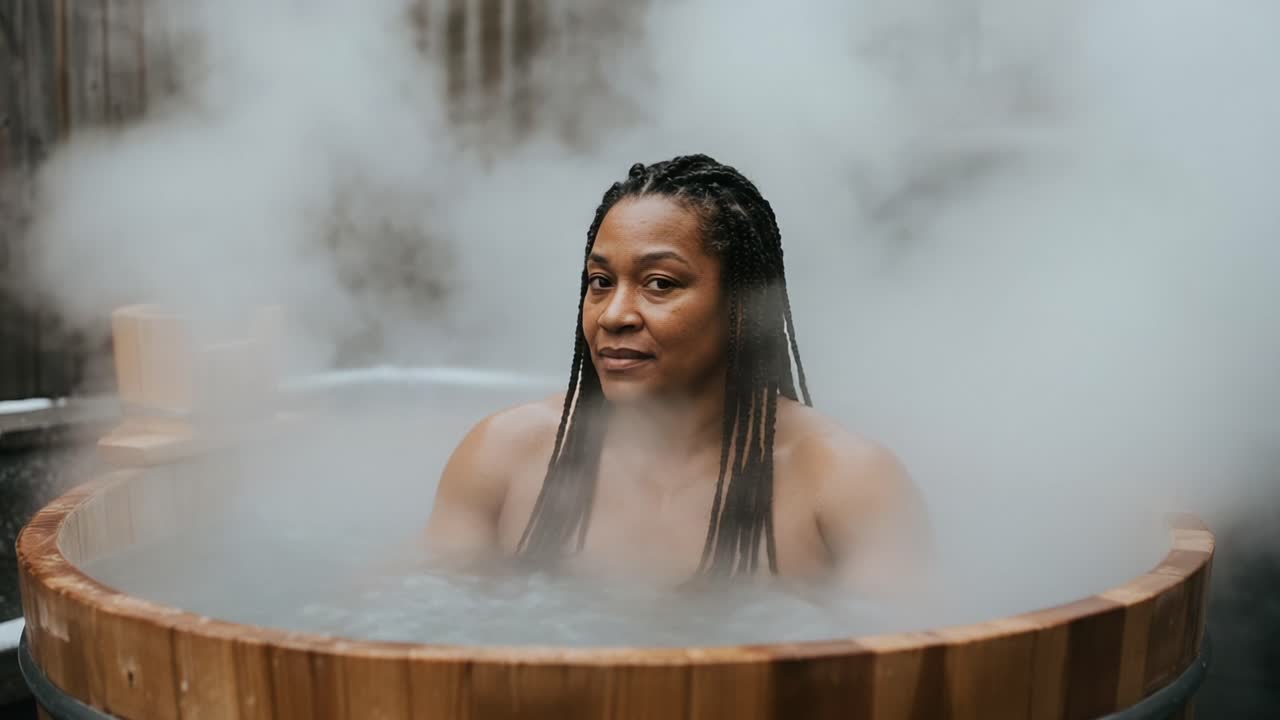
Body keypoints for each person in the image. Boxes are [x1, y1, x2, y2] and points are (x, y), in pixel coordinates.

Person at [426, 154, 930, 593]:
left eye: (659, 283)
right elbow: (417, 625)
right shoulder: (505, 457)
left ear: (742, 306)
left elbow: (900, 681)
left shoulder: (844, 485)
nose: (614, 314)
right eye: (600, 281)